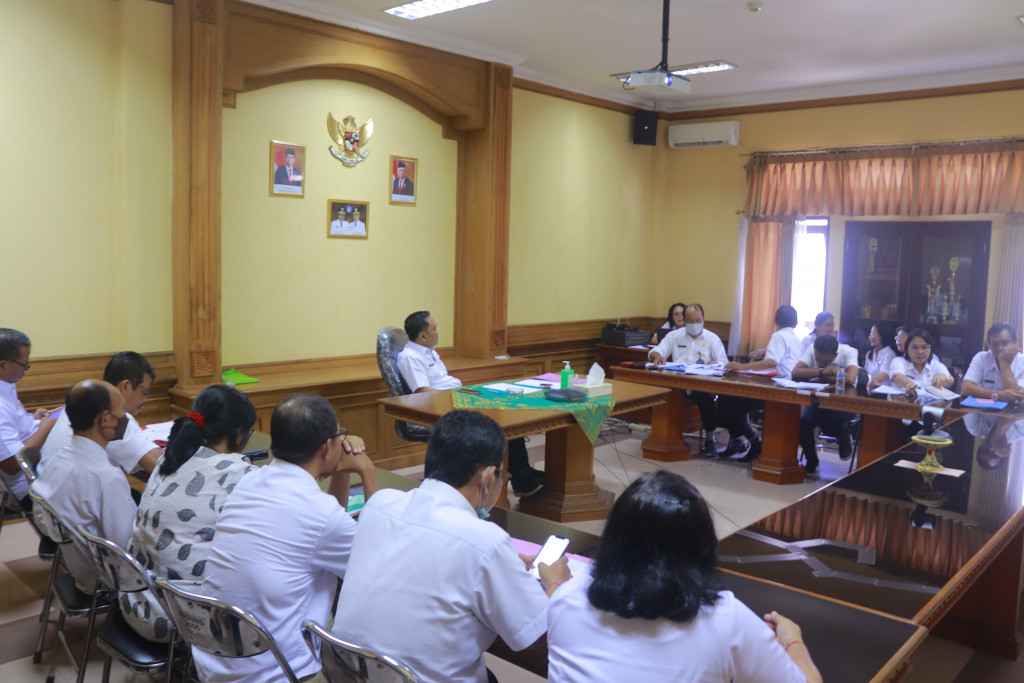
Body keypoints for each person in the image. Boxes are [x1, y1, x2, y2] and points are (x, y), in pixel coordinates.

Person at [333, 410, 570, 683]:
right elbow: (533, 633)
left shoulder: (379, 503)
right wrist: (555, 584)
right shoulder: (485, 540)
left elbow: (425, 551)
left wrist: (500, 560)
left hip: (352, 673)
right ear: (489, 476)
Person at [546, 470, 821, 683]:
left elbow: (560, 603)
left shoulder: (565, 600)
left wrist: (556, 585)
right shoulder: (726, 619)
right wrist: (794, 642)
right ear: (700, 546)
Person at [193, 393, 377, 683]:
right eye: (338, 436)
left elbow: (327, 528)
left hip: (214, 659)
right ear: (326, 447)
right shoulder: (321, 515)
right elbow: (377, 564)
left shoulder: (250, 481)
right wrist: (367, 472)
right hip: (274, 673)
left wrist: (340, 473)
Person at [122, 385, 258, 642]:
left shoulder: (169, 456)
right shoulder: (239, 471)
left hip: (136, 602)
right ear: (238, 434)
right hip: (186, 620)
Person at [399, 310, 544, 496]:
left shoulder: (429, 352)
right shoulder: (410, 356)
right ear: (423, 335)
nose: (438, 332)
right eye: (435, 329)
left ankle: (522, 477)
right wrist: (456, 395)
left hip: (456, 398)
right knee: (500, 420)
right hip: (444, 405)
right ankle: (520, 479)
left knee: (506, 411)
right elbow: (422, 392)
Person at [31, 380, 136, 592]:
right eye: (122, 409)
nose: (125, 417)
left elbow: (42, 520)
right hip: (108, 578)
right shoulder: (106, 478)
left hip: (77, 567)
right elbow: (128, 547)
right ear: (106, 418)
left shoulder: (57, 461)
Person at [39, 351, 162, 476]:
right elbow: (161, 466)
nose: (146, 399)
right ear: (125, 387)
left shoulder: (80, 401)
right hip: (78, 492)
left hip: (50, 488)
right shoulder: (115, 420)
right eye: (145, 391)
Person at [719, 304, 804, 460]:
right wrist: (764, 351)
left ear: (775, 321)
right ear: (795, 324)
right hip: (788, 388)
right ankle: (742, 441)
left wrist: (742, 366)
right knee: (731, 402)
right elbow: (783, 359)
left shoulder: (778, 336)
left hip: (775, 390)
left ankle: (754, 442)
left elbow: (772, 362)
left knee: (728, 404)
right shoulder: (795, 339)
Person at [648, 304, 727, 455]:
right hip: (677, 384)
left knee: (707, 401)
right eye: (691, 321)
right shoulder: (674, 335)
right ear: (684, 321)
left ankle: (710, 440)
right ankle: (663, 434)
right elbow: (656, 350)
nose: (695, 324)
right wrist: (657, 356)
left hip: (701, 385)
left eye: (698, 320)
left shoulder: (712, 338)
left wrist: (715, 364)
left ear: (703, 319)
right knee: (656, 397)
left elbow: (723, 362)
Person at [0, 328, 58, 505]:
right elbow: (11, 464)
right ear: (2, 365)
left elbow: (14, 428)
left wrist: (33, 419)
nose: (26, 370)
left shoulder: (6, 385)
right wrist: (44, 429)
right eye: (23, 365)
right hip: (23, 484)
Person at [793, 335, 860, 473]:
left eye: (825, 361)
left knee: (829, 421)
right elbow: (796, 373)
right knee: (803, 422)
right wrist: (827, 372)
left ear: (835, 355)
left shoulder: (849, 352)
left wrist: (815, 375)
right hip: (818, 400)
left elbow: (850, 378)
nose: (820, 363)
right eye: (818, 360)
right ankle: (811, 461)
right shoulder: (813, 348)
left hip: (843, 402)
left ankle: (844, 436)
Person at [960, 323, 1024, 404]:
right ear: (989, 344)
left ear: (1015, 343)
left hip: (1016, 414)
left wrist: (1003, 361)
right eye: (995, 344)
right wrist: (997, 395)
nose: (1000, 348)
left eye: (1005, 343)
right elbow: (965, 389)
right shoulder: (981, 357)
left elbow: (1016, 398)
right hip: (985, 412)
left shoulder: (1022, 362)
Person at [888, 328, 954, 399]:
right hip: (901, 407)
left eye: (924, 347)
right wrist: (908, 383)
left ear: (930, 349)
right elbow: (897, 376)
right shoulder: (898, 361)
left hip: (930, 407)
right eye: (915, 347)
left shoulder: (935, 365)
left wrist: (945, 377)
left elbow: (951, 381)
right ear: (907, 349)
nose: (919, 351)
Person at [865, 324, 898, 390]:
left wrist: (866, 381)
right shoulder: (869, 354)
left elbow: (884, 376)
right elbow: (865, 373)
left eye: (872, 334)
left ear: (881, 336)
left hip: (883, 391)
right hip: (869, 388)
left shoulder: (889, 354)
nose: (870, 337)